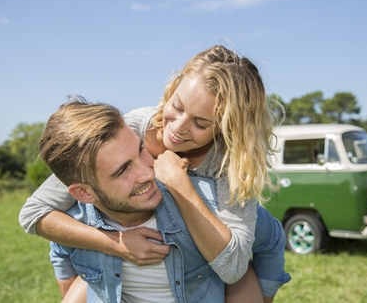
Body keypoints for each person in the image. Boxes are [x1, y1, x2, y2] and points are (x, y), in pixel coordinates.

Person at [19, 45, 290, 301]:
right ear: (173, 88)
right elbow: (37, 213)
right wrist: (115, 244)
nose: (179, 127)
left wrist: (178, 184)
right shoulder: (129, 129)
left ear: (225, 128)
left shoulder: (226, 166)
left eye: (200, 123)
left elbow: (240, 261)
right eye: (178, 106)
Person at [37, 96, 229, 302]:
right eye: (122, 171)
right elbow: (59, 251)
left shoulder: (202, 199)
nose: (148, 173)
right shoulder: (73, 224)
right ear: (84, 194)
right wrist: (114, 244)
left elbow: (265, 242)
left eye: (140, 150)